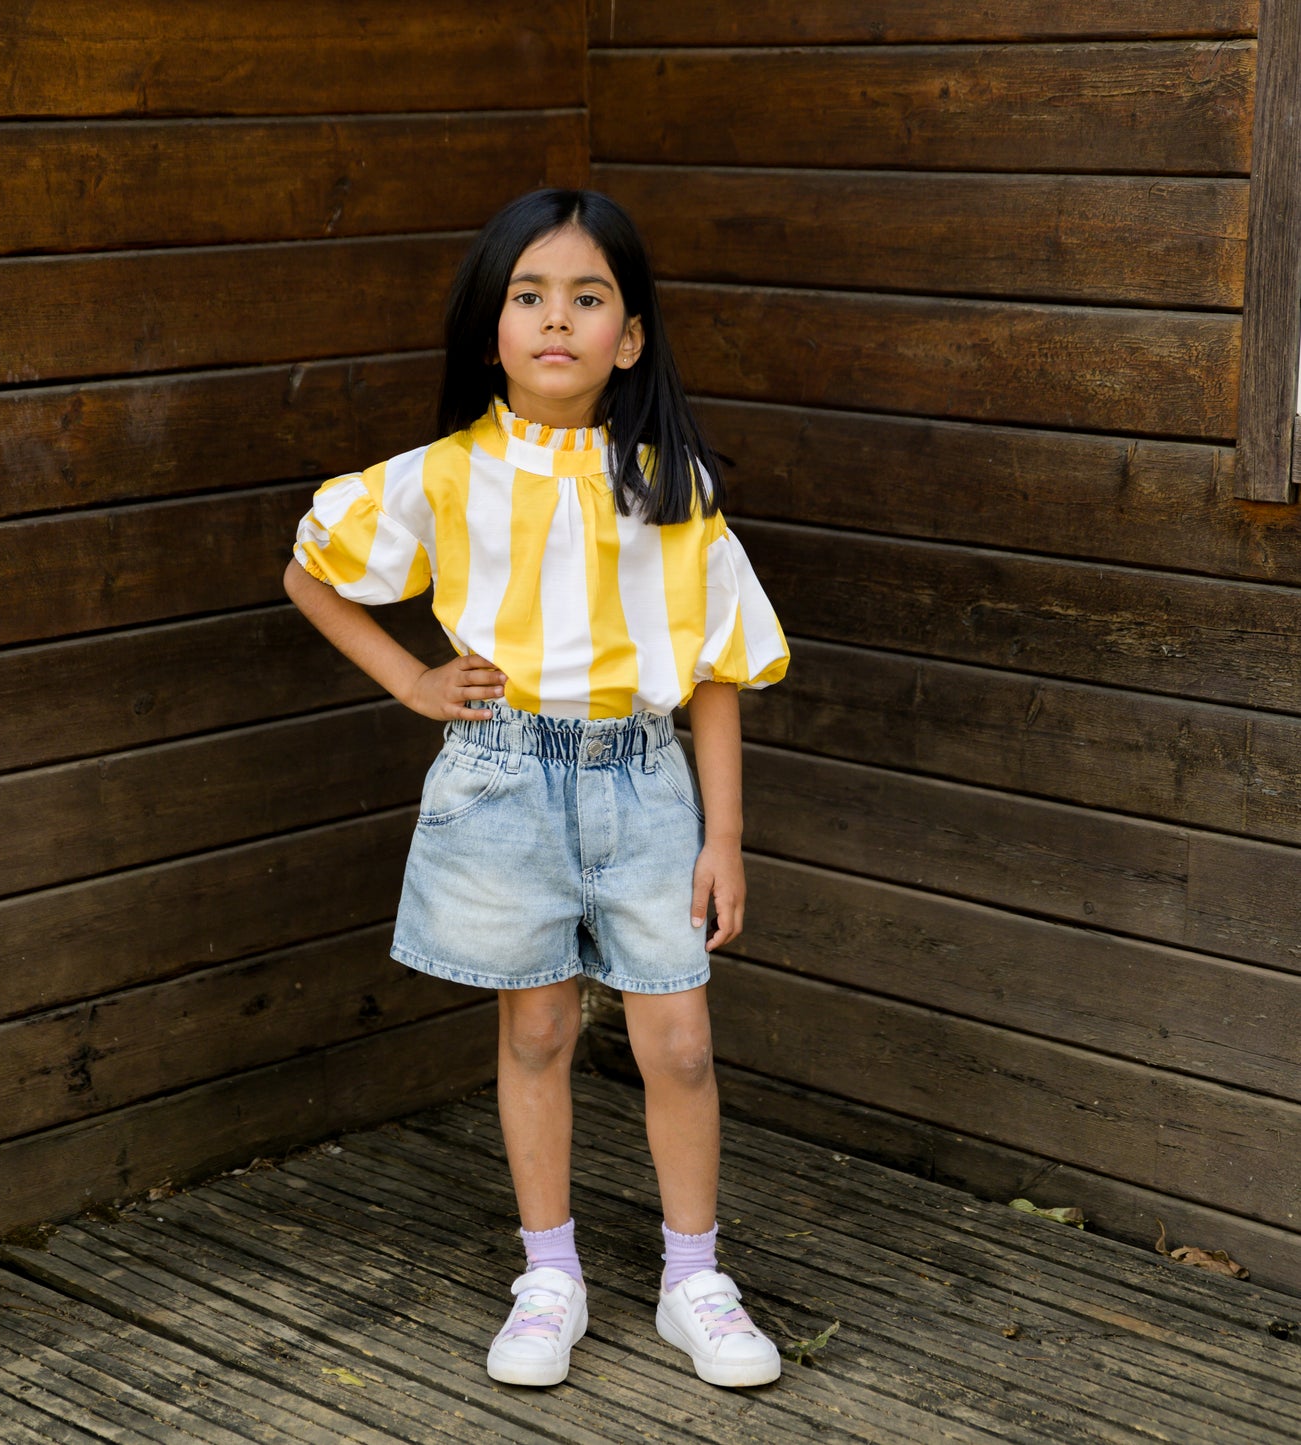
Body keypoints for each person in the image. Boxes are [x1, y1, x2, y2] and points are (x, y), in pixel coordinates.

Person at [283, 188, 789, 1390]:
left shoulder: (670, 487)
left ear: (629, 336)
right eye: (527, 295)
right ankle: (548, 1272)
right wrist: (411, 680)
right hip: (503, 780)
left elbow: (717, 667)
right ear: (491, 329)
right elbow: (315, 568)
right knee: (539, 1024)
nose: (554, 319)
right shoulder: (446, 475)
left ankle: (691, 1277)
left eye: (586, 296)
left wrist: (722, 833)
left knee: (675, 1038)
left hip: (642, 778)